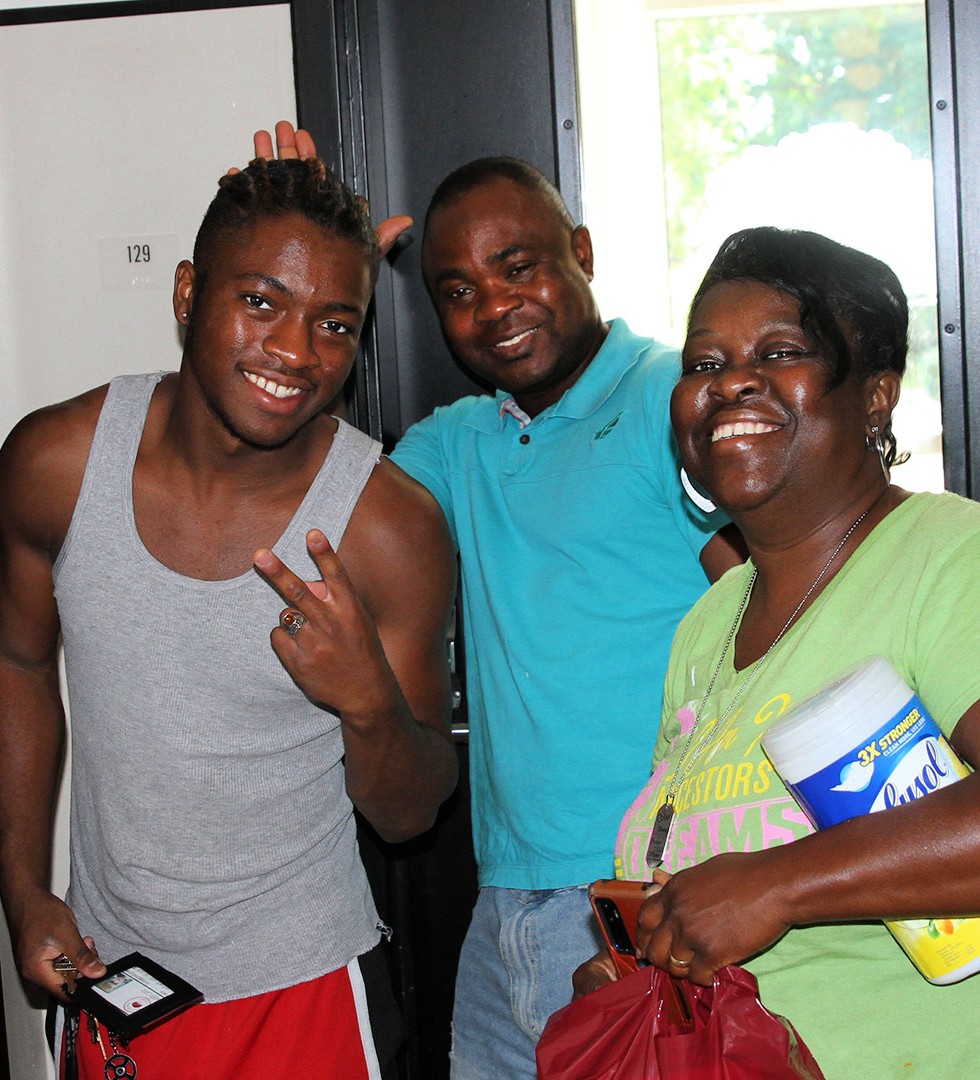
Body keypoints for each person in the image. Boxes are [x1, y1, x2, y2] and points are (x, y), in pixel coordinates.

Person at [572, 226, 980, 1078]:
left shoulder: (964, 560)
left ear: (876, 395)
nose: (732, 380)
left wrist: (780, 884)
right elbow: (714, 887)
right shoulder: (706, 627)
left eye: (781, 352)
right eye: (703, 364)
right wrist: (648, 963)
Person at [0, 156, 457, 1079]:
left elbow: (410, 812)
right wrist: (25, 889)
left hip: (304, 987)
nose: (296, 352)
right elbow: (16, 662)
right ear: (189, 292)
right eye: (263, 302)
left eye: (335, 324)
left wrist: (369, 706)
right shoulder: (57, 461)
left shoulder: (390, 530)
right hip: (113, 980)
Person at [384, 154, 738, 1079]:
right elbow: (320, 509)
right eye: (457, 288)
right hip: (505, 893)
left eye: (518, 265)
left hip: (644, 890)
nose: (494, 304)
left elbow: (770, 610)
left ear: (580, 252)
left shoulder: (671, 401)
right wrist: (326, 268)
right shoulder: (454, 443)